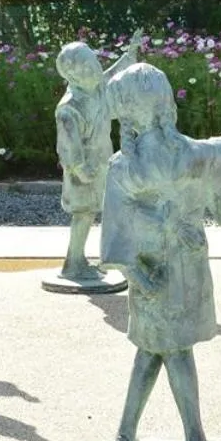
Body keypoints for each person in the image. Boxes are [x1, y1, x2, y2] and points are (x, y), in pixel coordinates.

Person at [100, 63, 221, 441]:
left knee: (152, 349)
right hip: (184, 265)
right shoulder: (188, 154)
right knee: (175, 350)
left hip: (148, 271)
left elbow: (116, 233)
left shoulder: (123, 166)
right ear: (162, 103)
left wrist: (135, 276)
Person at [52, 33, 143, 286]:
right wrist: (79, 168)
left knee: (91, 212)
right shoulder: (69, 106)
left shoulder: (96, 86)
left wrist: (130, 53)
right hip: (83, 169)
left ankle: (79, 260)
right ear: (72, 76)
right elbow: (67, 145)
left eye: (94, 63)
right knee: (83, 214)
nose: (95, 69)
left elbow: (114, 73)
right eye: (88, 67)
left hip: (101, 163)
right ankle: (73, 263)